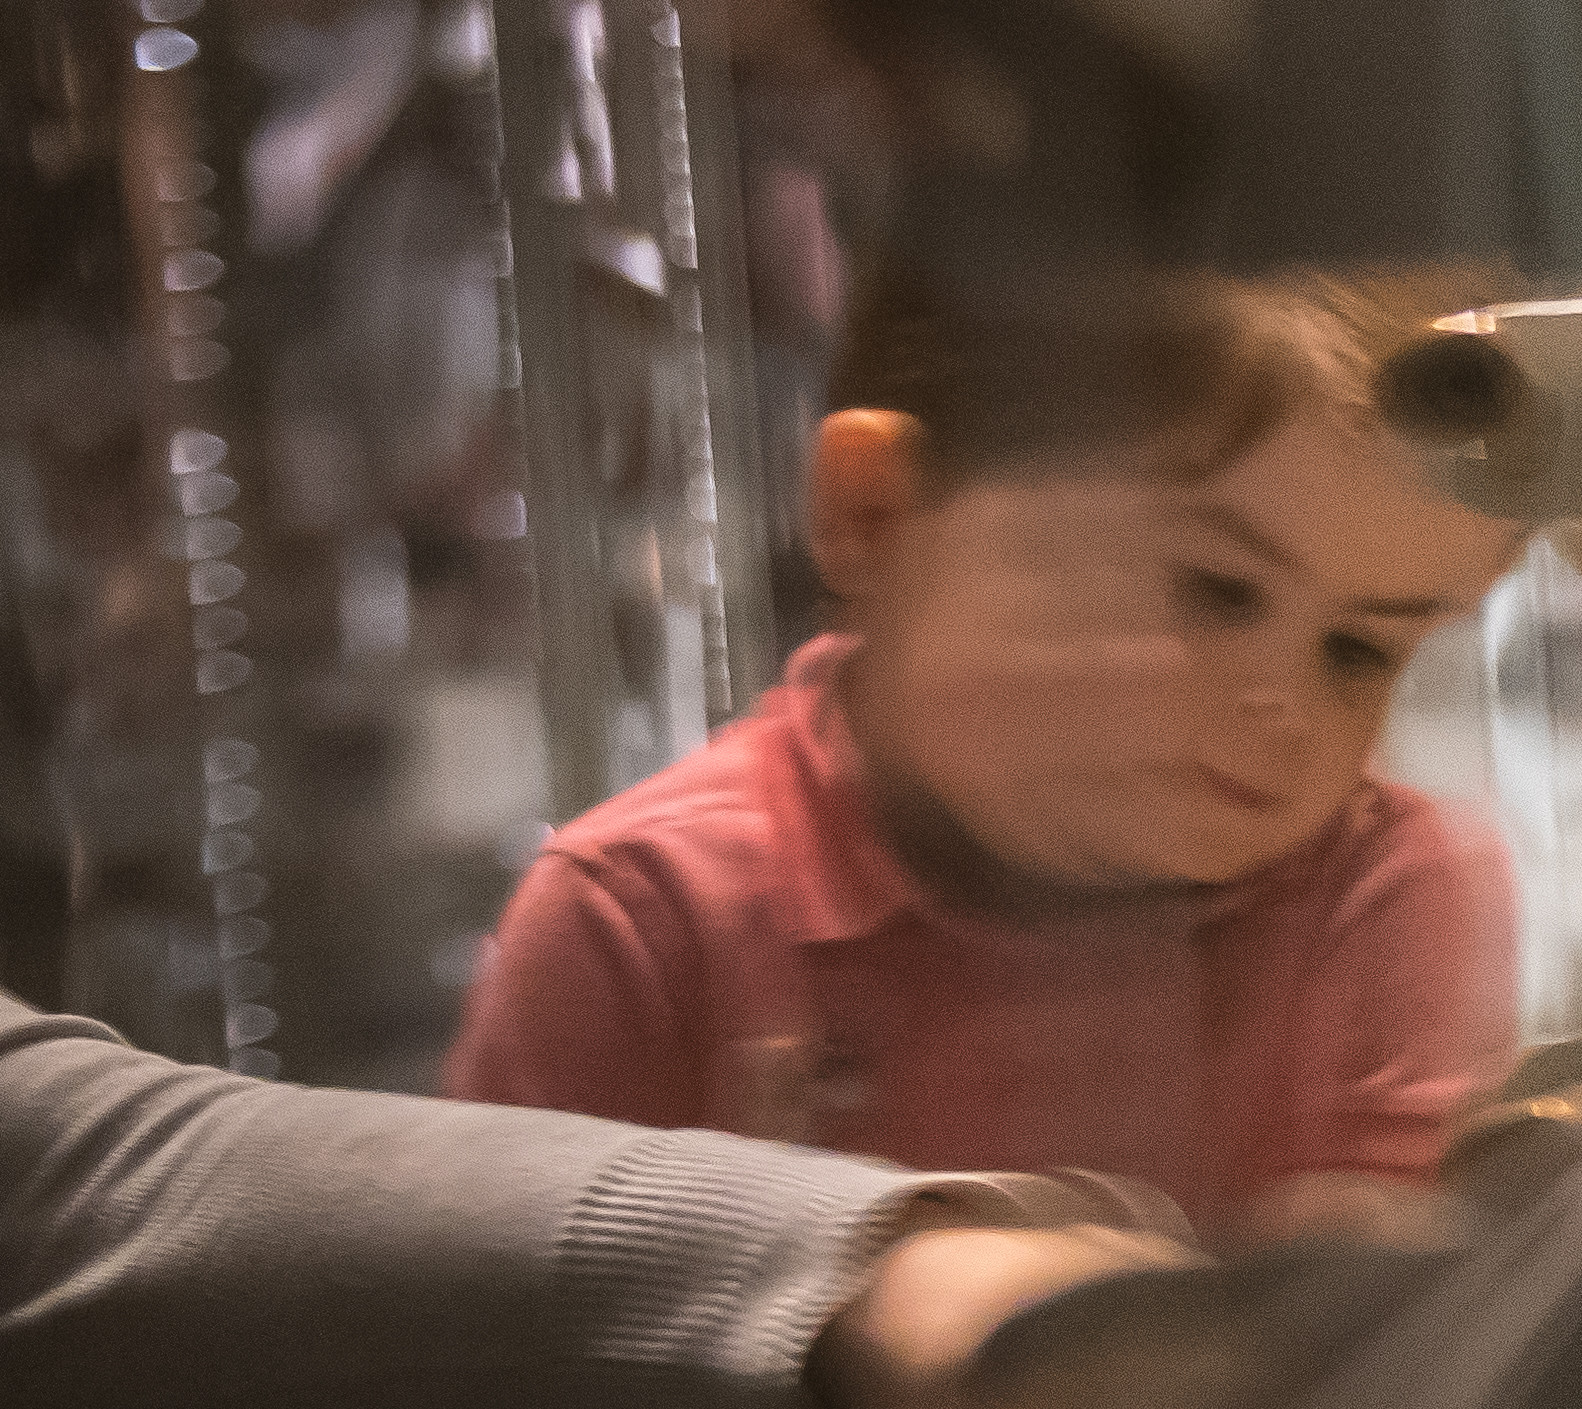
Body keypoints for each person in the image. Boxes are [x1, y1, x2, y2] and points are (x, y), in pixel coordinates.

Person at [447, 267, 1519, 1231]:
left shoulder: (1379, 893)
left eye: (1358, 650)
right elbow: (504, 1400)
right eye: (1212, 587)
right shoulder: (639, 923)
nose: (1283, 706)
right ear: (875, 513)